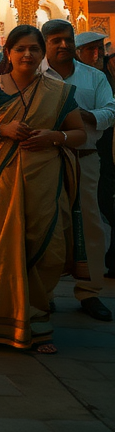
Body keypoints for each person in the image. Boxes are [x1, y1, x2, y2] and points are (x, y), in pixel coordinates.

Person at [0, 25, 87, 353]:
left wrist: (54, 136)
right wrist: (1, 129)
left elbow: (79, 134)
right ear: (8, 53)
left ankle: (36, 322)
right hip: (1, 182)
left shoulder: (59, 91)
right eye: (20, 49)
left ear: (42, 53)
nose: (28, 55)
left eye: (34, 48)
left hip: (45, 180)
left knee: (45, 248)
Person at [41, 19, 114, 322]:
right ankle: (43, 292)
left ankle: (89, 292)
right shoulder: (34, 74)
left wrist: (85, 115)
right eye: (55, 40)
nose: (63, 45)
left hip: (85, 157)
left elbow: (111, 110)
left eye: (67, 40)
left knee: (90, 225)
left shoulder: (93, 77)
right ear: (44, 43)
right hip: (46, 159)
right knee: (46, 224)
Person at [77, 31, 115, 277]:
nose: (97, 54)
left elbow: (109, 112)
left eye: (99, 49)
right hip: (64, 153)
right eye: (91, 49)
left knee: (93, 216)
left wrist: (88, 116)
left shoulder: (99, 78)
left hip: (97, 154)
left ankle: (90, 282)